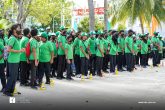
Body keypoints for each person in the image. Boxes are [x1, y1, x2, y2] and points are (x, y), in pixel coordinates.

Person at [3, 24, 24, 96]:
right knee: (12, 76)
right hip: (12, 60)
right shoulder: (12, 38)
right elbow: (9, 49)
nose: (20, 30)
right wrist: (20, 51)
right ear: (14, 30)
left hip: (16, 60)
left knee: (15, 76)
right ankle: (6, 91)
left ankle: (11, 90)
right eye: (18, 28)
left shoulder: (16, 38)